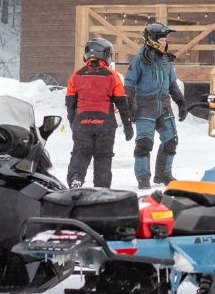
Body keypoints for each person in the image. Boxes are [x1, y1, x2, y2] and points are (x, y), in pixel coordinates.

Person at [124, 23, 187, 189]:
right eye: (161, 39)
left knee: (171, 140)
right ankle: (143, 176)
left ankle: (163, 174)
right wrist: (128, 102)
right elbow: (129, 83)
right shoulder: (138, 61)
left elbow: (172, 83)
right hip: (146, 106)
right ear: (152, 40)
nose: (165, 43)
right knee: (144, 143)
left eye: (165, 40)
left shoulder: (166, 60)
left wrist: (180, 101)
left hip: (164, 106)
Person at [65, 38, 133, 189]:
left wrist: (72, 121)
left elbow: (70, 101)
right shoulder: (111, 75)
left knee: (80, 153)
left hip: (82, 123)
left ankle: (76, 178)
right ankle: (101, 189)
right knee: (103, 157)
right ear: (106, 55)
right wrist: (127, 124)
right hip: (105, 125)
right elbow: (122, 102)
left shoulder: (77, 75)